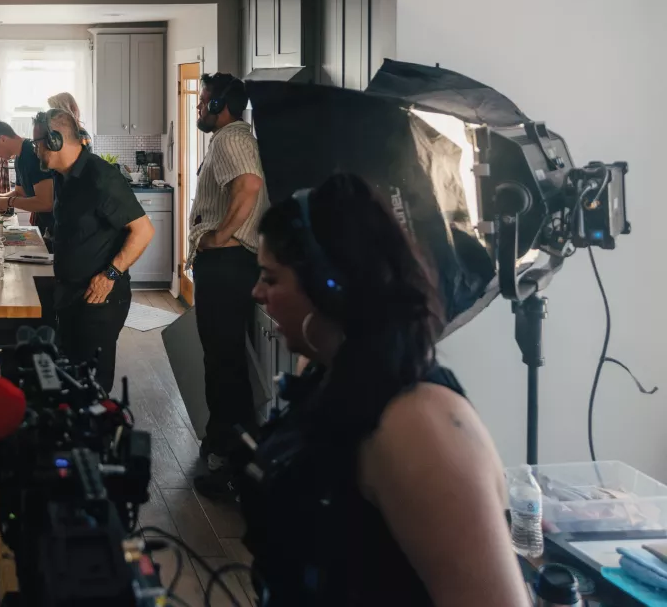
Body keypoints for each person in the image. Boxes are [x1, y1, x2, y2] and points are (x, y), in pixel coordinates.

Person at [237, 173, 527, 606]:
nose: (257, 292)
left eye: (271, 278)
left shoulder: (420, 425)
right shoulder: (326, 375)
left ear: (329, 286)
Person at [186, 72, 270, 495]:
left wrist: (219, 237)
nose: (199, 108)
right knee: (224, 360)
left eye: (203, 102)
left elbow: (249, 185)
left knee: (225, 363)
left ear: (221, 106)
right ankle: (224, 447)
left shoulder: (231, 139)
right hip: (230, 265)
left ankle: (231, 461)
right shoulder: (231, 139)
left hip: (228, 263)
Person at [36, 108, 155, 391]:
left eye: (38, 142)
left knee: (93, 387)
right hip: (70, 295)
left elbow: (143, 231)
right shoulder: (62, 176)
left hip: (98, 298)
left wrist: (110, 274)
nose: (36, 149)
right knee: (71, 380)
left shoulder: (100, 178)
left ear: (55, 141)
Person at [0, 119, 55, 243]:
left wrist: (9, 202)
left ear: (3, 139)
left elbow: (46, 203)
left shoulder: (32, 154)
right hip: (45, 225)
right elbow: (19, 193)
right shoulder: (19, 158)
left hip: (58, 229)